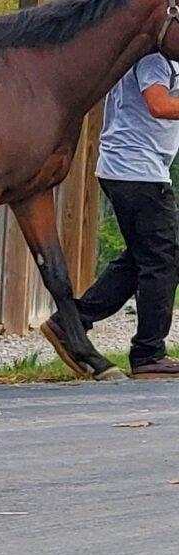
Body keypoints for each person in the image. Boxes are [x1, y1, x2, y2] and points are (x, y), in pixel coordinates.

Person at [42, 52, 179, 378]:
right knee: (165, 258)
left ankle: (71, 321)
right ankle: (148, 354)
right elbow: (158, 104)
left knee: (143, 257)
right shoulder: (154, 57)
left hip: (137, 169)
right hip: (135, 170)